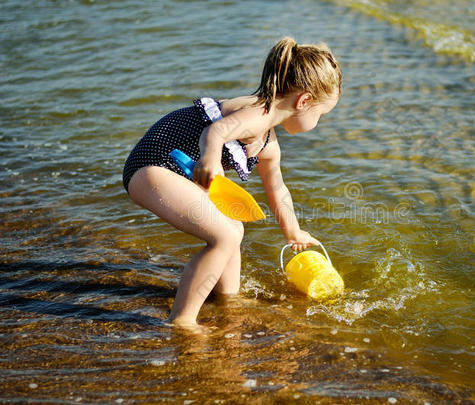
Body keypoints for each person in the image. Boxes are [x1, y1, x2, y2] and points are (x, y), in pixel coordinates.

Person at [122, 37, 342, 329]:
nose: (319, 122)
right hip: (155, 164)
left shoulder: (268, 141)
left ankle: (227, 297)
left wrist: (294, 232)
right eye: (321, 115)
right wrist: (212, 159)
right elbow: (214, 133)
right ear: (304, 101)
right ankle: (182, 320)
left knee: (235, 228)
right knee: (224, 236)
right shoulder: (256, 114)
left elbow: (277, 188)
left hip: (176, 169)